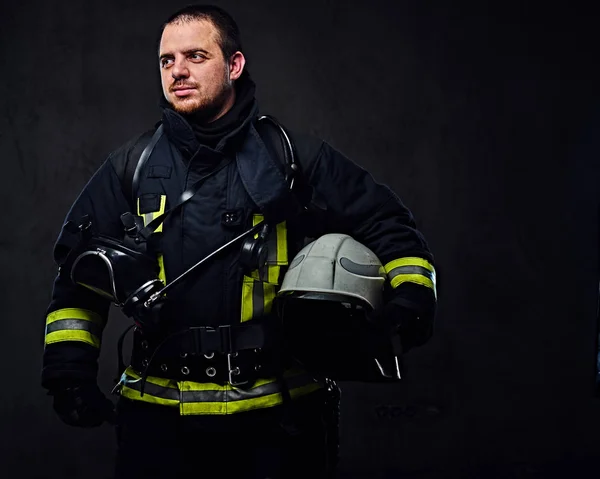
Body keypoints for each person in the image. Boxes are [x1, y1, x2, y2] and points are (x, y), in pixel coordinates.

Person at [41, 4, 437, 479]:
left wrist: (410, 299)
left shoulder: (291, 157)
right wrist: (69, 372)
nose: (178, 72)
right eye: (167, 61)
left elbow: (385, 221)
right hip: (159, 421)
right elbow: (79, 277)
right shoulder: (132, 166)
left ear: (234, 65)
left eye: (195, 56)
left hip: (280, 420)